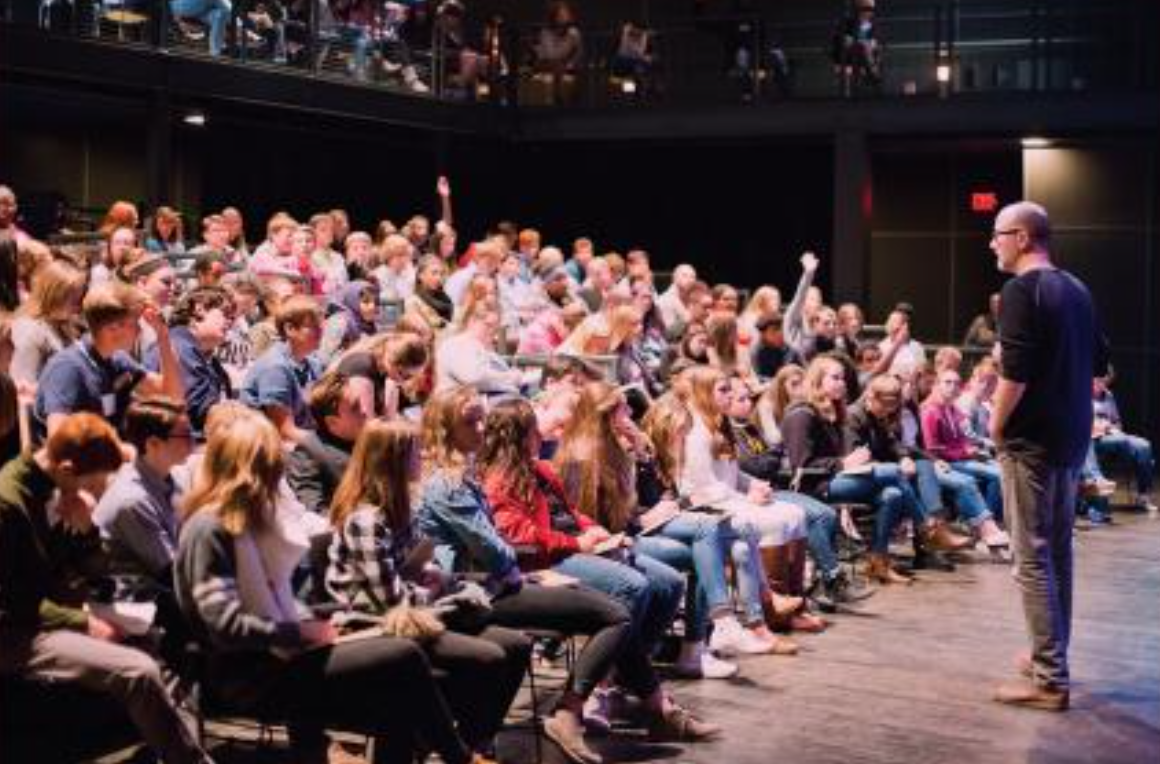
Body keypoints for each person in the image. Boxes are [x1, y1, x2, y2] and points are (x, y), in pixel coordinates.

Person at [416, 386, 720, 760]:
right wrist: (564, 551)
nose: (481, 428)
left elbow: (554, 522)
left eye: (482, 418)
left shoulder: (513, 472)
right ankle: (587, 705)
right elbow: (499, 547)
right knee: (624, 596)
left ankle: (635, 703)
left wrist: (594, 532)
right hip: (487, 584)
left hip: (505, 576)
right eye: (470, 420)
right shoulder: (462, 482)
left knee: (658, 585)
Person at [174, 414, 490, 764]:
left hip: (280, 658)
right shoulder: (209, 530)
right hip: (250, 676)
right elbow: (225, 627)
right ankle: (460, 758)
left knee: (398, 682)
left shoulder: (243, 522)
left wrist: (313, 623)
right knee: (403, 656)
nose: (279, 475)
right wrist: (303, 631)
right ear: (251, 468)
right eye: (273, 464)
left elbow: (274, 601)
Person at [0, 413, 212, 764]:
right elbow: (7, 606)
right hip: (15, 632)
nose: (94, 493)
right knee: (137, 671)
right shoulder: (9, 504)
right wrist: (81, 622)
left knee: (155, 642)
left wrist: (85, 530)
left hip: (44, 613)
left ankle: (175, 751)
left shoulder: (56, 489)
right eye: (92, 484)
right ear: (67, 469)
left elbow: (96, 570)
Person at [326, 418, 530, 755]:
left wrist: (437, 578)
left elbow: (423, 566)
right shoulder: (366, 520)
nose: (422, 458)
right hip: (372, 625)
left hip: (416, 615)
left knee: (517, 646)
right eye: (415, 453)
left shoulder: (403, 508)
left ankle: (472, 741)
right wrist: (435, 588)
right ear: (392, 460)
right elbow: (389, 601)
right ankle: (451, 746)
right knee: (489, 658)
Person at [987, 201, 1109, 712]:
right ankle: (1050, 652)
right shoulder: (1076, 288)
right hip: (1071, 435)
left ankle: (1049, 678)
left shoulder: (1021, 290)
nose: (991, 244)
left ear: (1020, 236)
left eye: (996, 235)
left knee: (1031, 557)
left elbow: (1014, 375)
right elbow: (1100, 368)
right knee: (1057, 551)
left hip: (1031, 440)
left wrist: (995, 426)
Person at [32, 281, 184, 443]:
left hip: (109, 460)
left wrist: (163, 336)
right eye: (135, 323)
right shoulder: (67, 369)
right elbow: (58, 441)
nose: (140, 330)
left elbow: (172, 395)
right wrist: (121, 453)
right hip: (85, 464)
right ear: (113, 328)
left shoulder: (116, 359)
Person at [239, 295, 324, 443]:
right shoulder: (275, 368)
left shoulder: (313, 365)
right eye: (313, 327)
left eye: (321, 326)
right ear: (290, 329)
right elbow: (284, 431)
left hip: (300, 442)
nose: (321, 332)